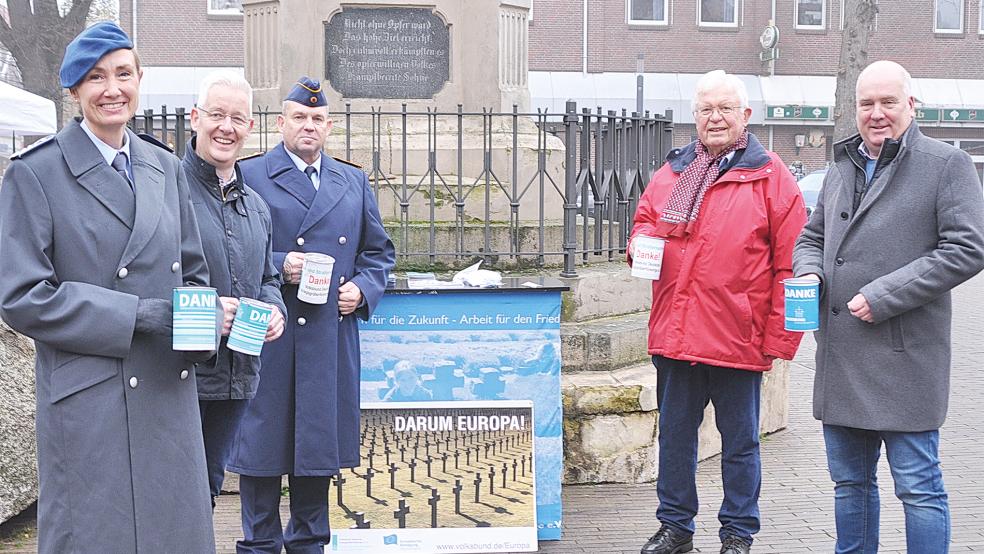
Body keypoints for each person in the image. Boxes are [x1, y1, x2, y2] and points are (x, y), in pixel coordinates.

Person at [0, 22, 217, 552]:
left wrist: (206, 321)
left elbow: (194, 275)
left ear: (140, 79)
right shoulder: (35, 174)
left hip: (167, 390)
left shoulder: (165, 167)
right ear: (73, 91)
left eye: (123, 73)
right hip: (90, 399)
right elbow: (22, 296)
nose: (112, 88)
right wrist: (139, 315)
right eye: (95, 78)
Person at [793, 60, 984, 553]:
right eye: (866, 104)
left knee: (918, 489)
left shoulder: (947, 165)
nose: (876, 114)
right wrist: (809, 271)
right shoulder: (842, 166)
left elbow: (967, 248)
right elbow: (810, 238)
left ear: (911, 105)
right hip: (841, 358)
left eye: (888, 102)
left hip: (906, 357)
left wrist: (883, 296)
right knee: (850, 485)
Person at [629, 70, 807, 554]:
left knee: (741, 446)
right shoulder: (672, 174)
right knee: (675, 442)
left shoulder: (772, 177)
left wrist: (781, 340)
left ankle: (737, 533)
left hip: (737, 337)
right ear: (695, 117)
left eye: (725, 108)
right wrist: (639, 245)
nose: (715, 117)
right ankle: (676, 528)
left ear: (746, 115)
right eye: (706, 109)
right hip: (677, 334)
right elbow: (645, 225)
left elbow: (792, 264)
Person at [228, 76, 396, 553]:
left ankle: (309, 545)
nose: (309, 125)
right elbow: (231, 246)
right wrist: (283, 263)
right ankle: (258, 546)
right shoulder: (251, 174)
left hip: (327, 336)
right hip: (271, 332)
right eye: (299, 117)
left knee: (314, 457)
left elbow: (379, 253)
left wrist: (361, 291)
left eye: (317, 119)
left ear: (329, 126)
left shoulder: (352, 180)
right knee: (261, 457)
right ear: (280, 123)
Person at [183, 69, 287, 509]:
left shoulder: (256, 207)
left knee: (205, 490)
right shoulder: (166, 190)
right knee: (172, 495)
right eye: (217, 114)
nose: (227, 127)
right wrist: (204, 309)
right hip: (181, 376)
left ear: (250, 127)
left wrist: (274, 308)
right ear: (194, 118)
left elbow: (267, 276)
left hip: (237, 376)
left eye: (238, 119)